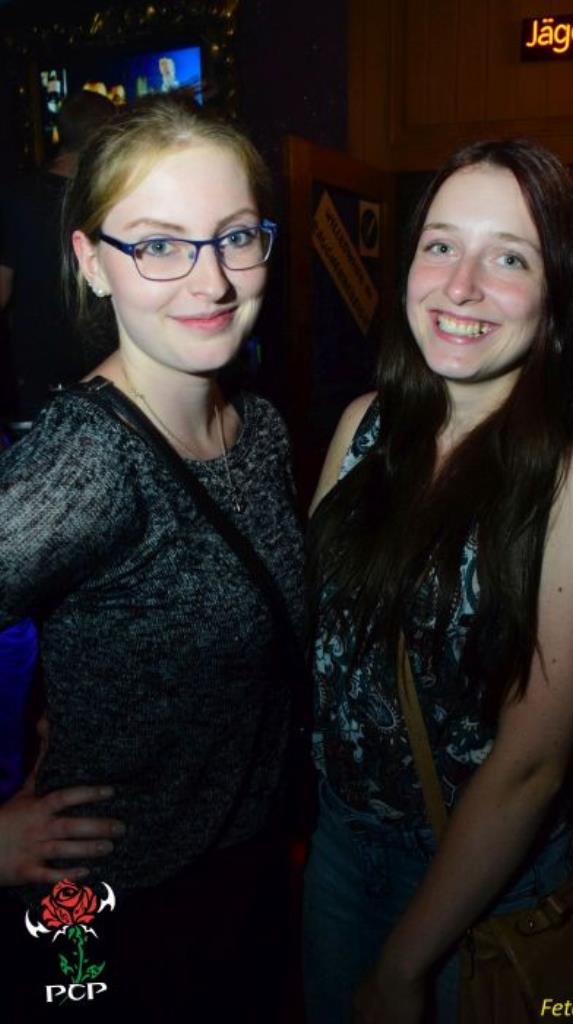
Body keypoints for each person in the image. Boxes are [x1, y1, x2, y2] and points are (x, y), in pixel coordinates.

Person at [303, 139, 573, 1023]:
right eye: (440, 245)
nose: (460, 286)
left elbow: (530, 763)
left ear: (557, 295)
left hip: (479, 886)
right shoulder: (363, 428)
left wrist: (404, 964)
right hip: (338, 848)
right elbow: (313, 643)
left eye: (508, 258)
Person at [0, 95, 304, 1021]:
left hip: (244, 882)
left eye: (235, 237)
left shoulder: (261, 429)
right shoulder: (85, 459)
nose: (211, 282)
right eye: (160, 245)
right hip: (111, 908)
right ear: (93, 263)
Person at [0, 90, 115, 433]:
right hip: (109, 371)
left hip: (38, 373)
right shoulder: (106, 198)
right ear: (104, 137)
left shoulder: (16, 196)